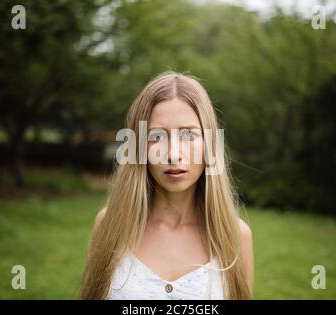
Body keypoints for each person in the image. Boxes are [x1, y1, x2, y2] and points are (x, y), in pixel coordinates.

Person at [81, 71, 254, 299]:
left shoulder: (234, 236)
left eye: (189, 134)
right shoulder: (108, 226)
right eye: (157, 136)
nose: (172, 154)